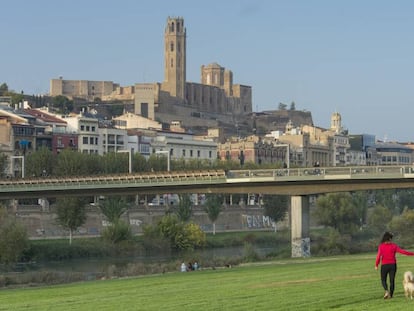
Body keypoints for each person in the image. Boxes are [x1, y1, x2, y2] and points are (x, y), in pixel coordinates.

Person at [375, 231, 414, 299]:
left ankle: (386, 291)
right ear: (389, 239)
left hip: (384, 265)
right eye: (391, 238)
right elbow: (403, 252)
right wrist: (413, 254)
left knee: (383, 280)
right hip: (393, 265)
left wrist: (376, 265)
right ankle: (391, 295)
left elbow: (378, 256)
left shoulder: (381, 246)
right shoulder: (394, 246)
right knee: (392, 281)